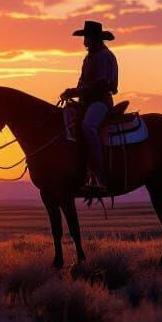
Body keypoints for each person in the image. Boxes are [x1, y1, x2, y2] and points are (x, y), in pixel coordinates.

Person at [59, 20, 118, 195]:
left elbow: (102, 84)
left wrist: (75, 91)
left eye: (86, 37)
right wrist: (74, 93)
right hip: (86, 102)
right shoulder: (88, 58)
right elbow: (82, 81)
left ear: (94, 38)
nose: (84, 40)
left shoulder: (106, 57)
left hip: (101, 102)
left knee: (89, 127)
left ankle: (98, 175)